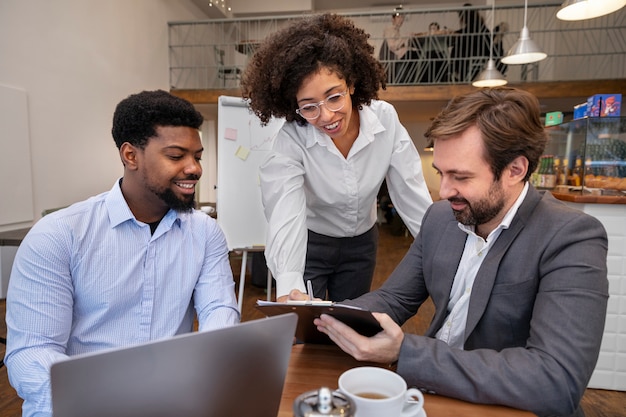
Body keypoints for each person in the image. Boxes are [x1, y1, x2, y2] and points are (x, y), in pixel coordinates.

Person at [290, 87, 609, 417]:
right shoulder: (442, 218)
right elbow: (394, 300)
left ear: (515, 170)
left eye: (461, 177)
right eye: (442, 173)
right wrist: (320, 317)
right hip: (431, 395)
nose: (444, 192)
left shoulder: (571, 237)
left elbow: (556, 381)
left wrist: (407, 352)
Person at [4, 90, 240, 417]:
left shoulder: (205, 232)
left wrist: (211, 376)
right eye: (176, 156)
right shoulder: (58, 235)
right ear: (130, 155)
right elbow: (33, 351)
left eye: (197, 156)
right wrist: (93, 403)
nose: (194, 168)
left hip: (173, 402)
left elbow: (218, 312)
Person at [240, 14, 432, 303]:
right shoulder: (290, 140)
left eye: (334, 97)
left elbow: (410, 191)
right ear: (294, 108)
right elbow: (284, 210)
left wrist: (442, 249)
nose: (327, 116)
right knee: (306, 327)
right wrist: (290, 286)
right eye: (309, 107)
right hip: (311, 243)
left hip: (362, 243)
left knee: (350, 325)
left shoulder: (385, 120)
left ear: (351, 84)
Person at [450, 4, 491, 82]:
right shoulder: (482, 26)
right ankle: (457, 75)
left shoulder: (473, 27)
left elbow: (467, 34)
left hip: (471, 56)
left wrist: (455, 33)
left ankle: (456, 74)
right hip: (481, 55)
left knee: (456, 49)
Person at [382, 12, 420, 84]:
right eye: (398, 17)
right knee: (413, 54)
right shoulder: (390, 30)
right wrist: (405, 37)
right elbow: (392, 46)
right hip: (391, 59)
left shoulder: (396, 31)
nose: (401, 19)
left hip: (396, 57)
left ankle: (409, 80)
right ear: (393, 19)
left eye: (402, 17)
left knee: (415, 54)